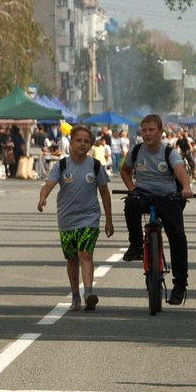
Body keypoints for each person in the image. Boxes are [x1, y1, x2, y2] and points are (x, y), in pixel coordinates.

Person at [118, 113, 196, 304]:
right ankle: (136, 245)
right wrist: (132, 188)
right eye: (144, 130)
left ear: (161, 132)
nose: (147, 134)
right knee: (130, 203)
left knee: (178, 237)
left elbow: (180, 172)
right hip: (143, 195)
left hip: (167, 197)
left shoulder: (170, 152)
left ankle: (180, 285)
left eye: (151, 130)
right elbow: (125, 171)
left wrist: (185, 188)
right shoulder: (136, 151)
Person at [38, 123, 113, 311]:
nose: (82, 144)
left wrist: (109, 220)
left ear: (91, 145)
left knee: (85, 253)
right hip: (67, 220)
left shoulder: (96, 166)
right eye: (78, 140)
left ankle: (88, 293)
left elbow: (104, 192)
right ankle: (75, 297)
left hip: (89, 218)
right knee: (72, 258)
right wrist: (42, 198)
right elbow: (48, 184)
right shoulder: (62, 165)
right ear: (71, 143)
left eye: (86, 141)